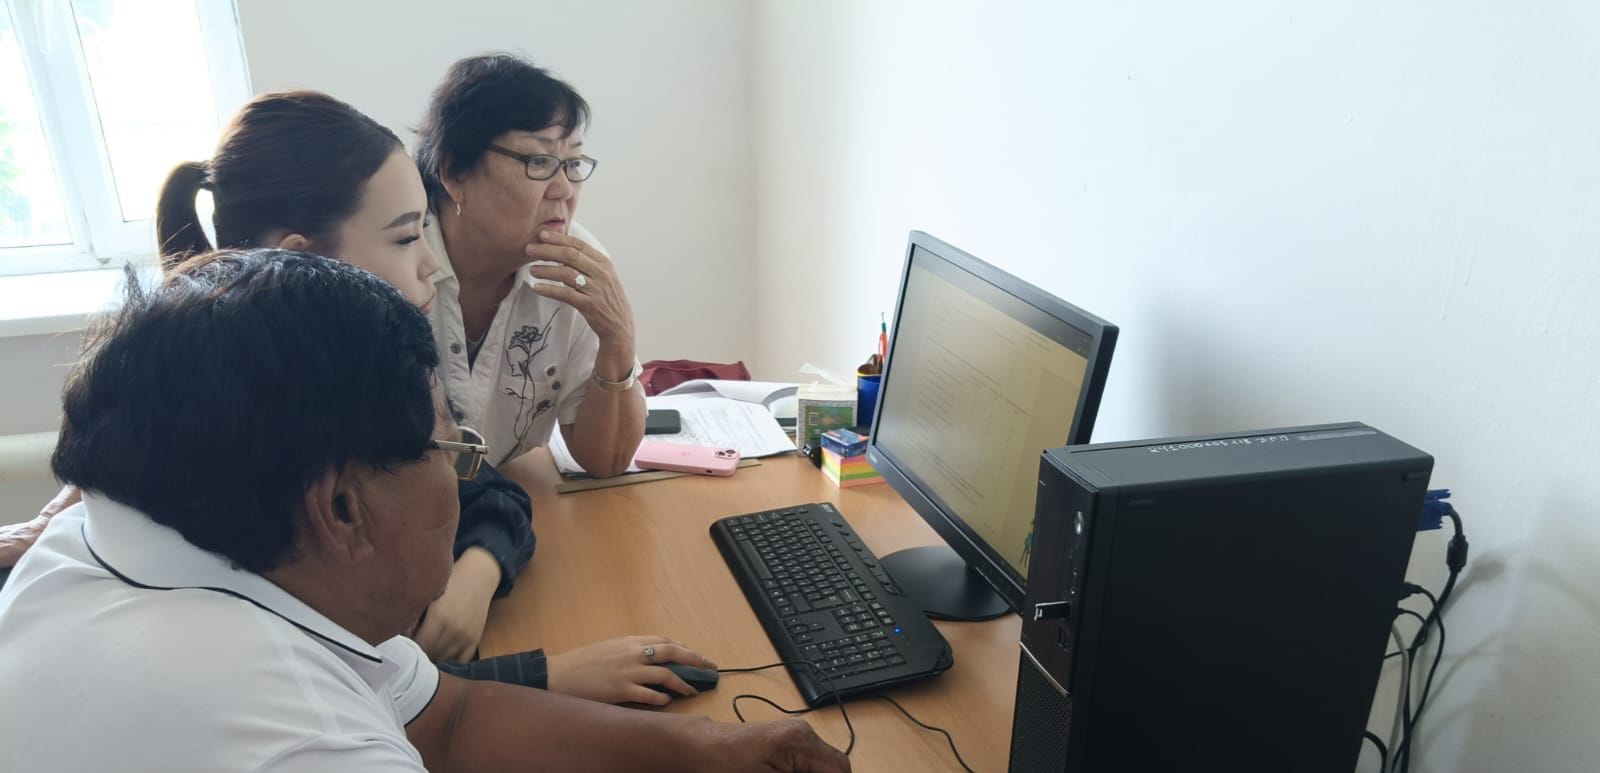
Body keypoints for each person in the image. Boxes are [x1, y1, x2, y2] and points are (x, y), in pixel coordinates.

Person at [0, 249, 848, 773]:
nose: (464, 475)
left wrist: (711, 748)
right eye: (453, 449)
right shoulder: (301, 741)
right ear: (342, 508)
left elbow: (450, 719)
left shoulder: (100, 531)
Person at [0, 90, 708, 704]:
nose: (430, 264)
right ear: (303, 259)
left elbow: (483, 486)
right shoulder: (232, 452)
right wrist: (549, 675)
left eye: (571, 163)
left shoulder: (317, 389)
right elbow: (348, 693)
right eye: (405, 237)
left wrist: (478, 570)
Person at [415, 53, 645, 477]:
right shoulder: (394, 265)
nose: (564, 190)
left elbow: (606, 461)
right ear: (453, 171)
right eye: (538, 162)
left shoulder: (577, 271)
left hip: (506, 506)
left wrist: (619, 341)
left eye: (572, 164)